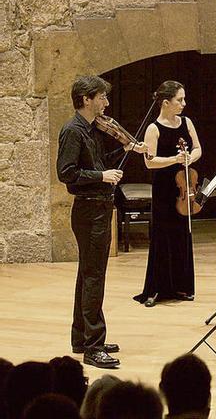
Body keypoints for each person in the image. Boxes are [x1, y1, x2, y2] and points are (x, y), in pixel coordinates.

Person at [57, 75, 148, 369]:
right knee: (94, 277)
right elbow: (67, 173)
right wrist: (102, 176)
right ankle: (93, 347)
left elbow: (96, 161)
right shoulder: (73, 131)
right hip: (89, 211)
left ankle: (81, 337)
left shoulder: (91, 129)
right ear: (86, 99)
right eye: (102, 98)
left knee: (87, 275)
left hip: (97, 209)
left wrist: (124, 150)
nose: (106, 103)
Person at [134, 81, 202, 307]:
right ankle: (156, 289)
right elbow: (149, 162)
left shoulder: (187, 122)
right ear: (166, 102)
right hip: (164, 189)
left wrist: (190, 158)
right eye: (179, 100)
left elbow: (198, 148)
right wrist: (174, 159)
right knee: (163, 237)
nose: (184, 103)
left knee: (182, 235)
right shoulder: (154, 128)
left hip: (184, 186)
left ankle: (182, 287)